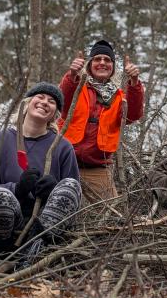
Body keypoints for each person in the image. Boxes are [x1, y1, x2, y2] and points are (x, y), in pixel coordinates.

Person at [0, 83, 81, 266]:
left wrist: (53, 191)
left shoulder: (63, 146)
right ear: (27, 103)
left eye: (52, 101)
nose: (45, 102)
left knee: (70, 185)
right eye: (40, 97)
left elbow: (74, 198)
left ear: (55, 114)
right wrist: (17, 188)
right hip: (6, 224)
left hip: (43, 226)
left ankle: (33, 259)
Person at [59, 39, 144, 204]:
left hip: (97, 167)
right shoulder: (77, 84)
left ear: (112, 67)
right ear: (90, 64)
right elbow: (62, 102)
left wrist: (134, 83)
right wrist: (72, 75)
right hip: (65, 161)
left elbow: (132, 115)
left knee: (111, 214)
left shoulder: (119, 96)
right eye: (97, 59)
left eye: (107, 60)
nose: (102, 63)